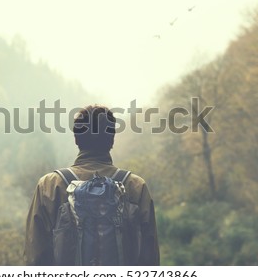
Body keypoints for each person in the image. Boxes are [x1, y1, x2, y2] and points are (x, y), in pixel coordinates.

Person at [24, 105, 159, 265]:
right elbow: (149, 259)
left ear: (76, 139)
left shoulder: (50, 186)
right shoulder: (135, 187)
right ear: (112, 139)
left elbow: (36, 257)